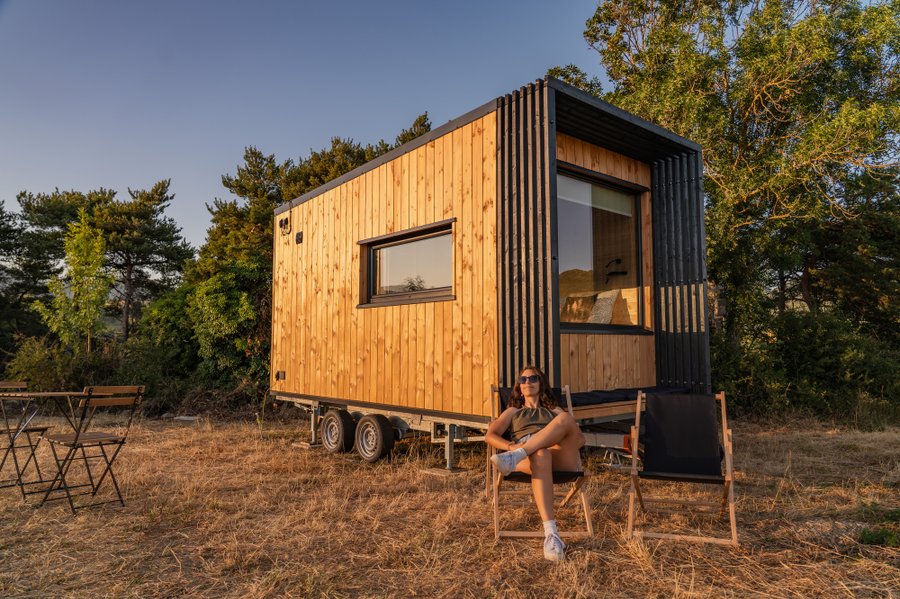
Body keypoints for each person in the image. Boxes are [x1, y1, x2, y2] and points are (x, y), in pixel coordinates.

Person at [486, 365, 586, 562]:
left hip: (558, 455)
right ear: (519, 386)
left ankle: (524, 451)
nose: (527, 383)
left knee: (565, 418)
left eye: (532, 379)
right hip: (527, 458)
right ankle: (551, 534)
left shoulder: (553, 410)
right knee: (540, 454)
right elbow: (490, 435)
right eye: (523, 380)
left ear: (541, 383)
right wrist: (512, 447)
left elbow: (579, 439)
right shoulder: (512, 412)